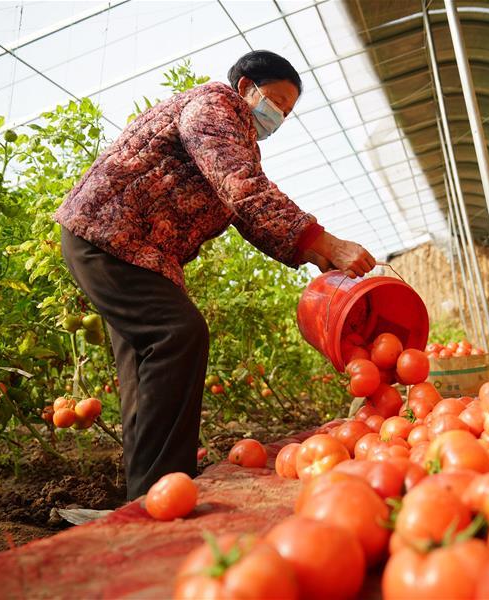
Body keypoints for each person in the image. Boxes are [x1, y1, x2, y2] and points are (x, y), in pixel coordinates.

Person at [55, 50, 376, 500]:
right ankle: (166, 489)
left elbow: (243, 211)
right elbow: (240, 186)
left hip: (134, 249)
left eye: (288, 110)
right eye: (278, 101)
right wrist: (325, 242)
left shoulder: (238, 136)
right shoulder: (212, 107)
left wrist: (310, 252)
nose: (280, 115)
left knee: (145, 365)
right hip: (109, 237)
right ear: (247, 87)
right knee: (178, 334)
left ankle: (149, 495)